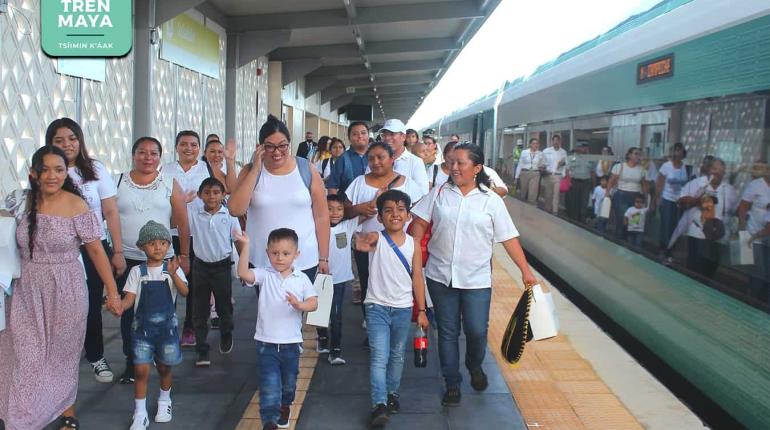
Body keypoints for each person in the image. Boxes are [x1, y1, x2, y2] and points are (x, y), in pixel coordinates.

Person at [0, 146, 122, 430]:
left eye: (59, 169)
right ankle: (22, 421)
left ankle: (65, 414)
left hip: (67, 290)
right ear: (33, 173)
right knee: (27, 358)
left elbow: (96, 252)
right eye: (46, 169)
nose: (53, 175)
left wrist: (112, 292)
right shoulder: (20, 201)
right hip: (25, 291)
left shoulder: (77, 205)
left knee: (60, 359)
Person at [409, 143, 537, 406]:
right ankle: (452, 383)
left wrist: (525, 270)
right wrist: (412, 258)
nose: (453, 167)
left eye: (460, 163)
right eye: (452, 162)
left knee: (477, 331)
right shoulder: (440, 193)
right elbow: (419, 224)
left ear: (477, 169)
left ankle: (474, 365)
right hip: (440, 275)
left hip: (476, 279)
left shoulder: (491, 201)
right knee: (447, 332)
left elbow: (508, 238)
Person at [45, 117, 125, 383]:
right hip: (58, 250)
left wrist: (117, 251)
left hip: (93, 248)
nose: (67, 144)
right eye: (59, 140)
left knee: (90, 302)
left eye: (72, 139)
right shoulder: (48, 170)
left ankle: (95, 354)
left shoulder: (95, 169)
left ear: (80, 141)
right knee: (57, 306)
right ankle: (56, 359)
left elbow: (111, 211)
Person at [116, 137, 191, 384]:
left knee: (163, 312)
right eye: (141, 152)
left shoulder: (169, 183)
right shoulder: (118, 181)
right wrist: (115, 252)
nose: (147, 158)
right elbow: (109, 216)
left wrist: (183, 255)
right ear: (133, 154)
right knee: (130, 313)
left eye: (153, 153)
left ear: (160, 156)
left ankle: (163, 359)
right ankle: (133, 360)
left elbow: (182, 222)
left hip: (163, 260)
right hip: (128, 258)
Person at [353, 190, 429, 427]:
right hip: (376, 307)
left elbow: (417, 276)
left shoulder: (413, 244)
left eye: (400, 210)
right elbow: (360, 244)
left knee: (396, 355)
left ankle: (392, 393)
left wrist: (422, 311)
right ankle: (379, 404)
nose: (394, 214)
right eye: (388, 210)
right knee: (379, 357)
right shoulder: (376, 238)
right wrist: (358, 236)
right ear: (380, 217)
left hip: (403, 308)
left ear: (408, 216)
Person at [228, 115, 330, 284]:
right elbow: (235, 209)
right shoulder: (250, 172)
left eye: (282, 146)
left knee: (303, 307)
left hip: (303, 259)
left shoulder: (306, 169)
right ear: (260, 147)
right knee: (268, 309)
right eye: (270, 147)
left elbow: (321, 216)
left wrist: (324, 257)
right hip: (263, 260)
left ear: (289, 144)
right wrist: (255, 169)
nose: (277, 152)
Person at [235, 228, 318, 430]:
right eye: (274, 253)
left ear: (296, 254)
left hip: (291, 343)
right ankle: (269, 420)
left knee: (289, 383)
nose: (279, 258)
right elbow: (243, 273)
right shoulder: (266, 274)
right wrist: (245, 247)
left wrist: (300, 305)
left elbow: (314, 303)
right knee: (269, 384)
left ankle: (285, 405)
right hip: (266, 342)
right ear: (267, 252)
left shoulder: (301, 278)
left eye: (286, 253)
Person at [344, 142, 424, 320]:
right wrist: (360, 208)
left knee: (398, 283)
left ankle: (397, 321)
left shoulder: (408, 184)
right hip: (367, 244)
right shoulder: (359, 183)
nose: (376, 162)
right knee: (368, 283)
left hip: (400, 245)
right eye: (371, 158)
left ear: (392, 159)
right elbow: (345, 212)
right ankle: (372, 323)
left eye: (381, 157)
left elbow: (420, 215)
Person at [121, 221, 188, 430]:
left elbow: (185, 292)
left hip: (167, 330)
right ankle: (139, 413)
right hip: (142, 331)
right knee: (140, 370)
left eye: (162, 242)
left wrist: (174, 273)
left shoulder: (171, 269)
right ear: (142, 246)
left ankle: (164, 401)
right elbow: (129, 300)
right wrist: (118, 306)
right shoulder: (136, 272)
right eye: (151, 243)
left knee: (165, 367)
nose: (158, 247)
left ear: (168, 245)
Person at [161, 130, 211, 347]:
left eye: (193, 144)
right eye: (183, 144)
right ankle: (167, 326)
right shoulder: (166, 170)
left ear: (199, 148)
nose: (188, 148)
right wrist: (181, 200)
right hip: (171, 234)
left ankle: (190, 326)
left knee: (195, 283)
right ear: (176, 147)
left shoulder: (206, 169)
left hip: (198, 233)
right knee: (168, 280)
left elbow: (215, 195)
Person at [188, 178, 241, 367]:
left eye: (216, 192)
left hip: (222, 266)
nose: (212, 196)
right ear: (200, 195)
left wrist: (243, 266)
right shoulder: (194, 214)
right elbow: (179, 227)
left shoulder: (229, 214)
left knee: (224, 305)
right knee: (199, 309)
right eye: (207, 192)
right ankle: (202, 348)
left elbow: (238, 240)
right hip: (200, 267)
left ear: (223, 195)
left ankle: (226, 333)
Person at [317, 194, 360, 364]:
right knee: (319, 313)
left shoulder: (348, 225)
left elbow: (367, 212)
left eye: (339, 209)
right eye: (329, 208)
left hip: (340, 279)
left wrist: (377, 198)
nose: (335, 213)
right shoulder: (317, 227)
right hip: (321, 276)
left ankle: (335, 350)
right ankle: (321, 338)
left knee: (336, 314)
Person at [677, 158, 737, 277]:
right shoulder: (698, 183)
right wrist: (697, 200)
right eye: (715, 169)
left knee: (711, 268)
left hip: (718, 235)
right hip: (698, 232)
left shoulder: (729, 189)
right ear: (709, 170)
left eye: (721, 170)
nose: (717, 173)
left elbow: (734, 210)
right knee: (695, 267)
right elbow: (681, 201)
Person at [737, 163, 770, 296]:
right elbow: (743, 208)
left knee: (765, 272)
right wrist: (742, 230)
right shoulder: (756, 185)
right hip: (754, 233)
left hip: (767, 235)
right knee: (758, 272)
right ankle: (752, 300)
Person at [377, 119, 429, 198]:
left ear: (403, 137)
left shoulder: (415, 162)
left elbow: (423, 193)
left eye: (392, 134)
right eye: (384, 134)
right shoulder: (375, 160)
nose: (387, 138)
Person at [653, 143, 689, 255]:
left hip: (679, 201)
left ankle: (671, 248)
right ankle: (664, 249)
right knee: (667, 225)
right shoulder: (666, 166)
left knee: (676, 226)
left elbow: (685, 185)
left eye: (680, 150)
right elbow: (659, 183)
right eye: (676, 150)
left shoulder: (684, 167)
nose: (677, 153)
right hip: (667, 199)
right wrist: (657, 198)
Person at [606, 147, 649, 240]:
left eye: (639, 154)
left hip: (635, 196)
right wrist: (607, 193)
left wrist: (646, 198)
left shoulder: (641, 169)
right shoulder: (619, 166)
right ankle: (619, 240)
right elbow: (611, 180)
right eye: (636, 153)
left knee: (633, 222)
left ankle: (630, 242)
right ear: (629, 155)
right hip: (621, 195)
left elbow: (644, 184)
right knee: (622, 220)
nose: (638, 156)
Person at [327, 122, 370, 196]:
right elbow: (332, 187)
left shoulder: (377, 155)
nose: (360, 136)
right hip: (348, 205)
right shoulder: (343, 159)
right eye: (355, 134)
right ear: (349, 138)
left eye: (363, 133)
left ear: (368, 136)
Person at [565, 143, 595, 222]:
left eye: (586, 147)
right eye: (582, 147)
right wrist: (568, 182)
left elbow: (592, 172)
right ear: (578, 148)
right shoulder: (572, 157)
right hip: (575, 182)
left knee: (584, 202)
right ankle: (573, 220)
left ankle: (582, 221)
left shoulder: (590, 158)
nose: (584, 149)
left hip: (586, 183)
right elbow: (567, 170)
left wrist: (593, 185)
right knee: (574, 203)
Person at [542, 134, 567, 215]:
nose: (556, 142)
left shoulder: (563, 152)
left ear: (560, 141)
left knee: (556, 195)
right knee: (548, 195)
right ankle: (547, 209)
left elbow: (566, 164)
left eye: (557, 140)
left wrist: (563, 175)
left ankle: (555, 211)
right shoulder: (546, 151)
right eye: (554, 140)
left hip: (558, 176)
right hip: (548, 175)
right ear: (552, 141)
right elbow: (542, 162)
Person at [514, 138, 544, 204]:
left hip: (535, 173)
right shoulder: (524, 152)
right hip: (525, 173)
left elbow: (542, 164)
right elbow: (520, 164)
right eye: (533, 143)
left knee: (533, 192)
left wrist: (542, 167)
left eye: (537, 144)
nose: (535, 145)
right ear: (530, 144)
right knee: (523, 192)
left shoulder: (540, 154)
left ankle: (531, 205)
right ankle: (522, 206)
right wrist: (516, 177)